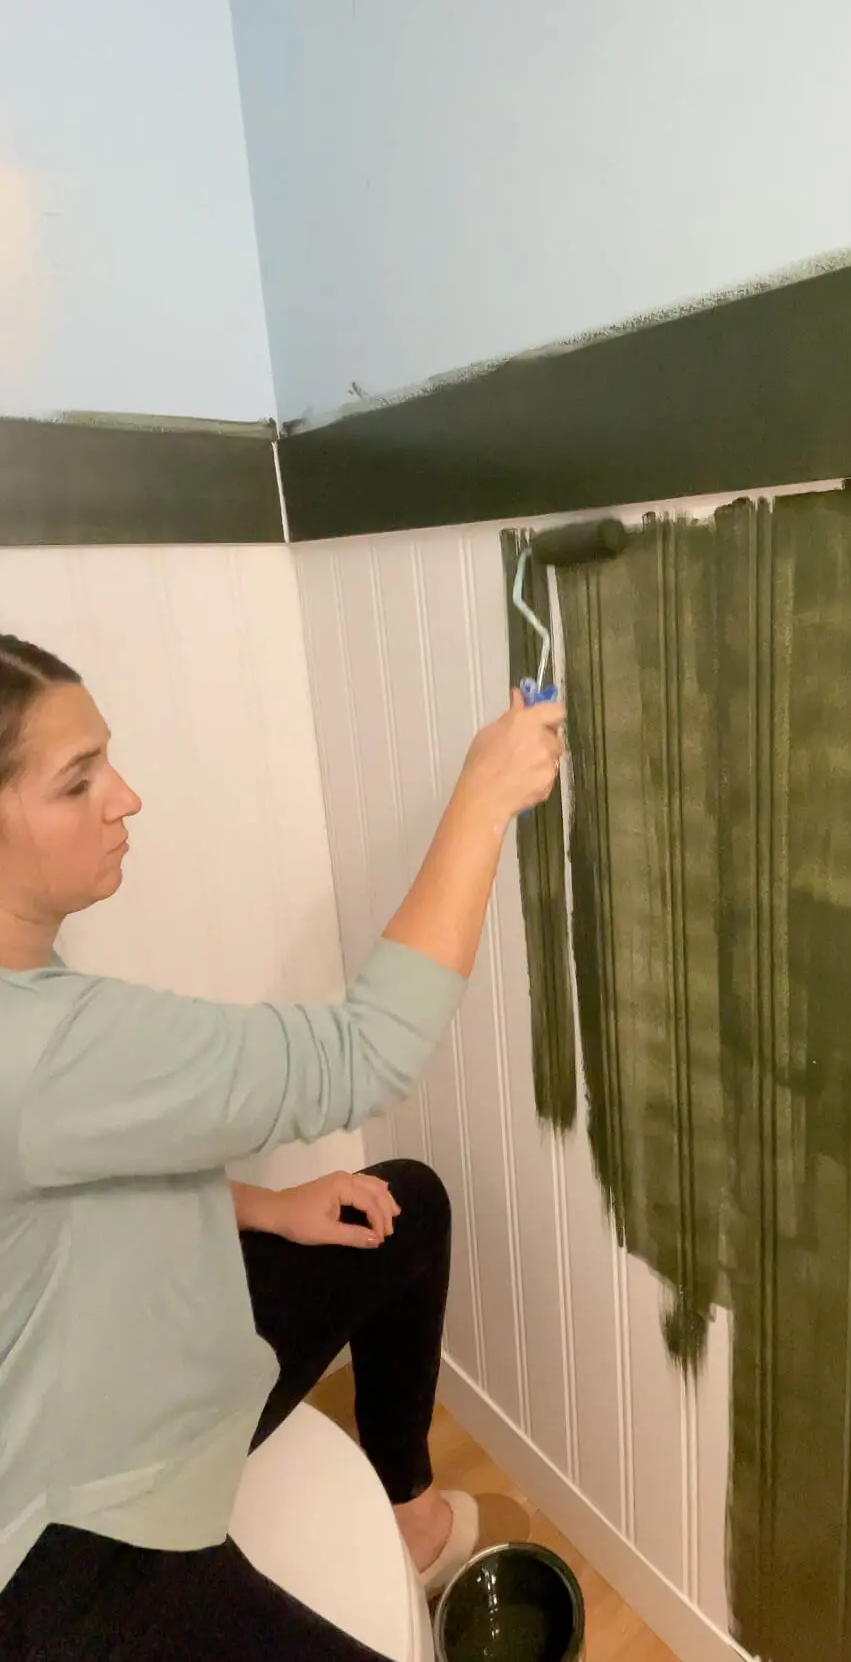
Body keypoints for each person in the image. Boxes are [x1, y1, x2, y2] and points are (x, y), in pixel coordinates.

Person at [0, 633, 565, 1662]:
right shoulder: (36, 1047)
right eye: (79, 782)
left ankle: (413, 1520)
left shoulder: (36, 1002)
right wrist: (483, 798)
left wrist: (264, 1208)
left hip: (143, 1367)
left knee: (404, 1210)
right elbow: (361, 1053)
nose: (125, 798)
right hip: (72, 1549)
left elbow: (69, 1161)